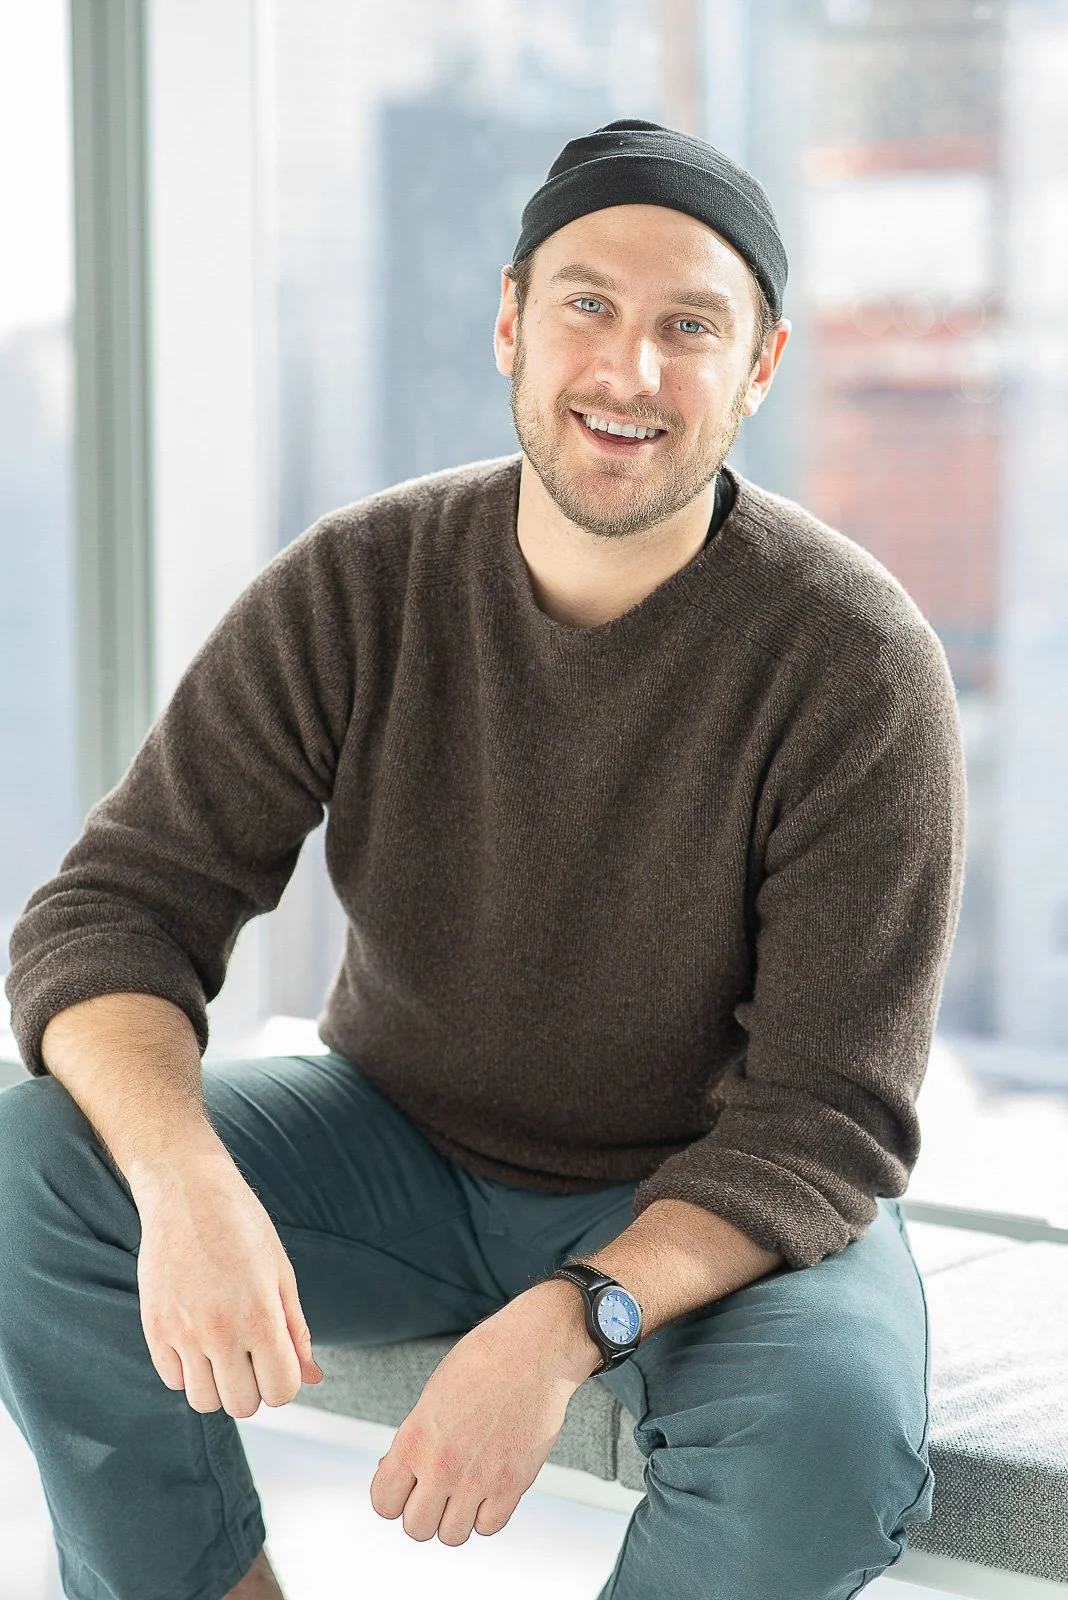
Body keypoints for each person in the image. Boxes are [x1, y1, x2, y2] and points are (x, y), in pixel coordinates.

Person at [0, 119, 965, 1600]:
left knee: (829, 1436)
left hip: (712, 1196)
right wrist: (184, 1182)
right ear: (512, 322)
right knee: (35, 1160)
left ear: (758, 369)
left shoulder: (854, 662)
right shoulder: (361, 583)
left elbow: (826, 1121)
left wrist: (577, 1314)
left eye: (689, 327)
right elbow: (115, 915)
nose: (628, 370)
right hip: (397, 1142)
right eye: (587, 304)